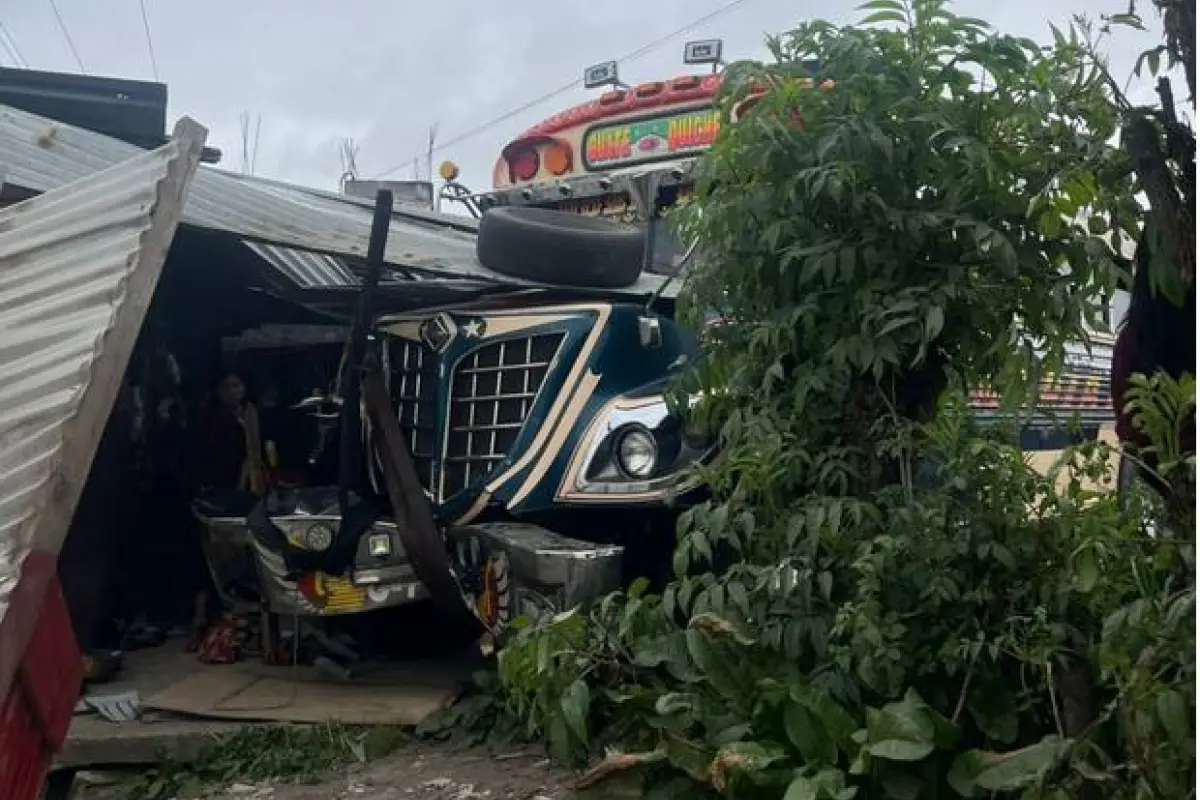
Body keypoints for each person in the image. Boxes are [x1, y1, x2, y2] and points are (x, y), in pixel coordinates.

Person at [191, 372, 267, 495]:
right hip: (222, 483)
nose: (231, 391)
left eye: (235, 385)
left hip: (253, 481)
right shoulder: (210, 418)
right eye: (225, 387)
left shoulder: (252, 412)